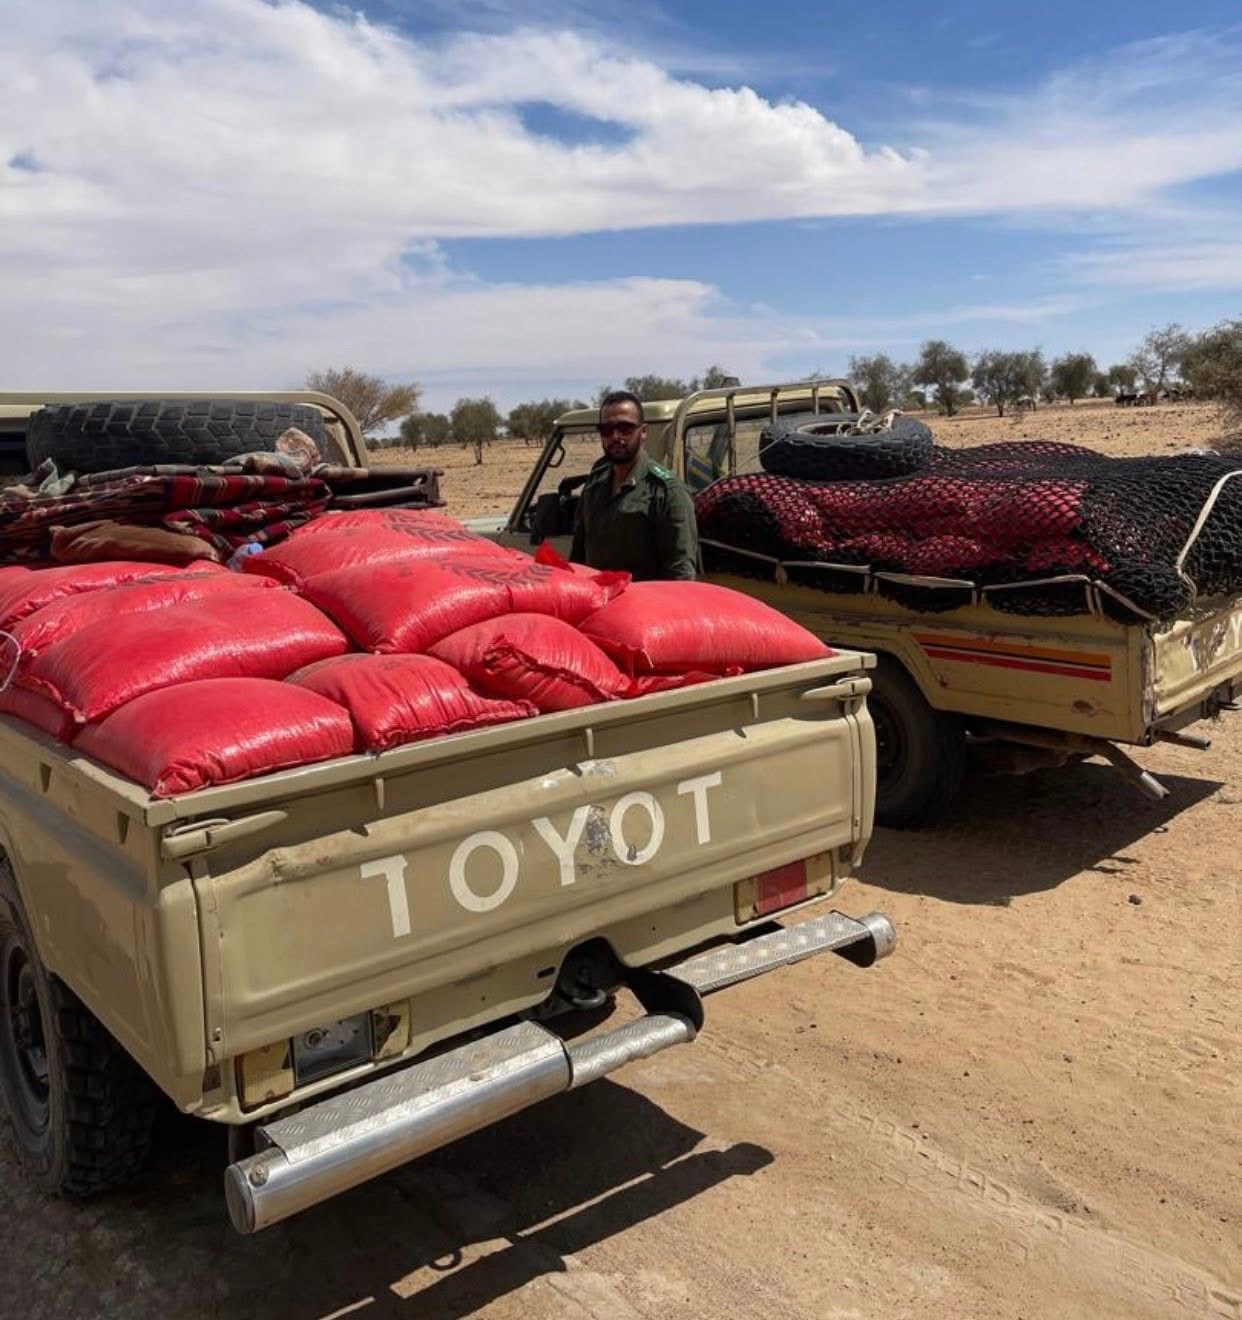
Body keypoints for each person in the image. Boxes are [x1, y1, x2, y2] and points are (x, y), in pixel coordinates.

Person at [569, 391, 699, 580]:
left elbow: (681, 574)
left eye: (625, 428)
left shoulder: (666, 491)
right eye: (607, 429)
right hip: (597, 595)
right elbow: (578, 558)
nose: (615, 436)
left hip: (642, 597)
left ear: (644, 431)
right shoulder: (594, 485)